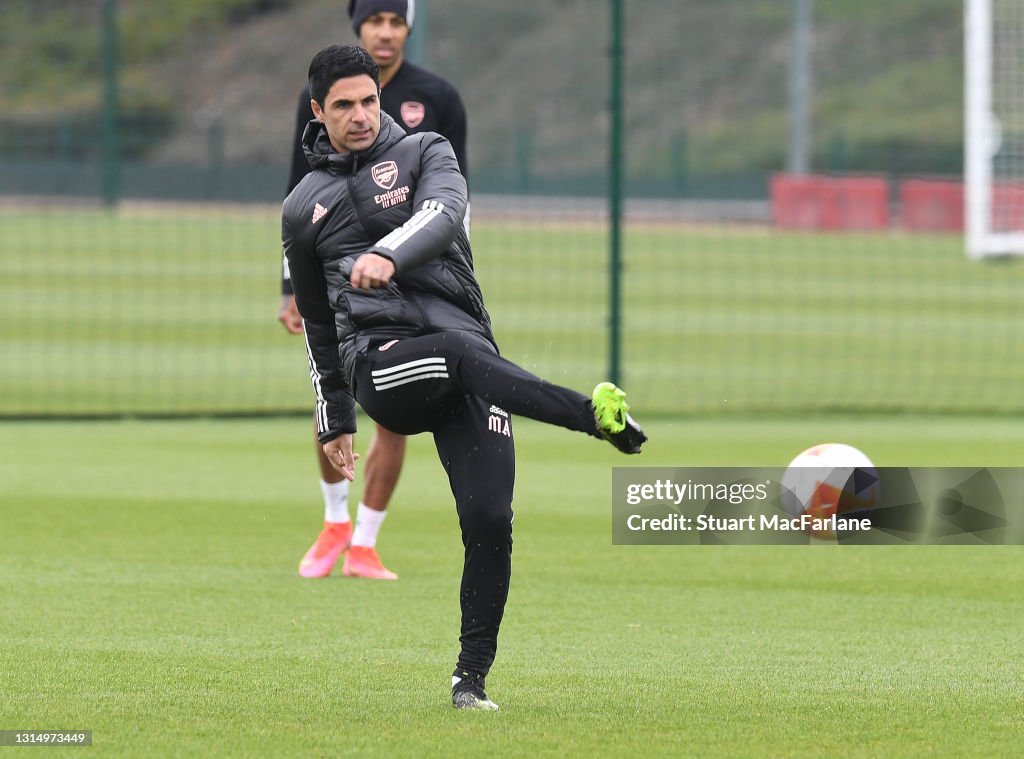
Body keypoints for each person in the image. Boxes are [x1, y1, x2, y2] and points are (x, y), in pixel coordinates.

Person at [282, 44, 647, 710]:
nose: (361, 115)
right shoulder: (302, 206)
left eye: (369, 100)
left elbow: (443, 214)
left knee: (489, 516)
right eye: (344, 105)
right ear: (318, 111)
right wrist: (335, 418)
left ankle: (469, 679)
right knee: (452, 351)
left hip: (468, 358)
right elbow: (317, 325)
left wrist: (387, 254)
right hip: (383, 363)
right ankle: (593, 417)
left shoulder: (428, 152)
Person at [279, 0, 469, 581]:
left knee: (394, 410)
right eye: (375, 22)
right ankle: (334, 518)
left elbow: (456, 192)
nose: (385, 33)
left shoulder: (439, 97)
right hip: (340, 273)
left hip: (415, 276)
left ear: (409, 28)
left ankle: (364, 540)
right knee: (333, 382)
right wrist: (291, 285)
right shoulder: (323, 90)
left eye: (396, 22)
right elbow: (299, 192)